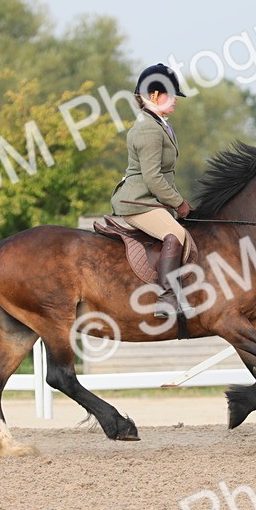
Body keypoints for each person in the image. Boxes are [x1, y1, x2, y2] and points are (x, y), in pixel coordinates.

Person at [110, 63, 192, 319]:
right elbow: (153, 177)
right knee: (175, 233)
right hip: (137, 201)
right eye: (171, 94)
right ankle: (167, 298)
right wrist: (178, 203)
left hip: (151, 200)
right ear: (154, 95)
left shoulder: (159, 125)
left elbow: (165, 175)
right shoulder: (147, 129)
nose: (176, 101)